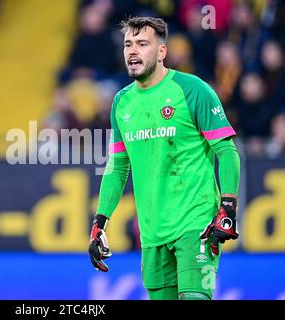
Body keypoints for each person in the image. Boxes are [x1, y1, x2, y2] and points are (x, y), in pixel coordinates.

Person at [88, 16, 241, 300]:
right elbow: (118, 167)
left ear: (161, 52)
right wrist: (100, 223)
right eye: (128, 44)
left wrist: (228, 207)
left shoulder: (193, 90)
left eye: (142, 44)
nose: (132, 51)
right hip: (152, 232)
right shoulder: (122, 103)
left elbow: (227, 151)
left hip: (197, 224)